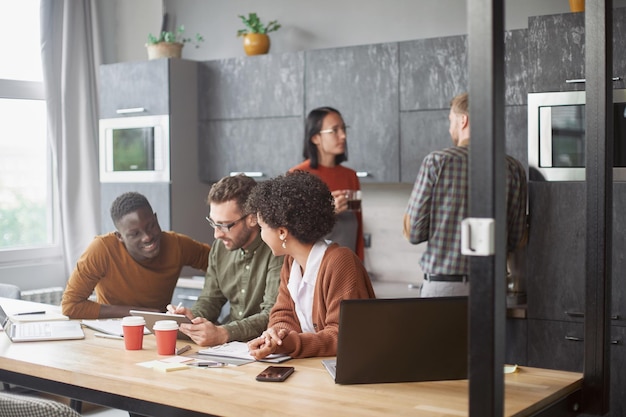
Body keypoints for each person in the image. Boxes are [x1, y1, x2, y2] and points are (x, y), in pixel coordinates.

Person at [403, 92, 527, 297]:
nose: (449, 127)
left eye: (451, 120)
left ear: (463, 120)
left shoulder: (437, 162)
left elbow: (413, 233)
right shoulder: (513, 168)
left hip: (444, 286)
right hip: (492, 287)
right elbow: (516, 239)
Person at [246, 171, 375, 360]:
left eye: (262, 228)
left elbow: (344, 334)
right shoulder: (292, 262)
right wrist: (276, 336)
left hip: (352, 375)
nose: (260, 234)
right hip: (317, 370)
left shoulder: (340, 262)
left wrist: (292, 343)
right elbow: (284, 314)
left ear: (282, 232)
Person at [166, 174, 283, 347]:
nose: (217, 234)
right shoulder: (219, 249)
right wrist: (191, 318)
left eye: (225, 225)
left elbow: (272, 314)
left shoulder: (277, 250)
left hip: (265, 346)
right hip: (229, 349)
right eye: (213, 224)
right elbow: (210, 300)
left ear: (252, 218)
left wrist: (225, 333)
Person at [61, 192, 211, 319]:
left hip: (158, 332)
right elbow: (70, 305)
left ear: (156, 219)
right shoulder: (101, 250)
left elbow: (220, 262)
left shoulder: (177, 245)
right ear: (120, 237)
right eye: (135, 234)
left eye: (150, 226)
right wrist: (140, 313)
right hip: (113, 331)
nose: (147, 237)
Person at [290, 107, 365, 262]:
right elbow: (292, 231)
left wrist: (359, 265)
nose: (343, 136)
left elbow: (357, 226)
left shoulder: (350, 176)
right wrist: (328, 210)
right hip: (314, 270)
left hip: (348, 266)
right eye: (334, 131)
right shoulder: (297, 176)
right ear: (315, 138)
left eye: (344, 129)